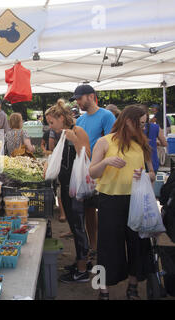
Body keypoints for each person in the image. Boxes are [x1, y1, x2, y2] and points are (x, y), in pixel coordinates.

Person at [89, 105, 155, 300]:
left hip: (136, 200)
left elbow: (152, 173)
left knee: (137, 244)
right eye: (140, 124)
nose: (143, 128)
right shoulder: (104, 142)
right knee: (107, 246)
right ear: (128, 121)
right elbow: (92, 172)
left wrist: (145, 175)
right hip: (109, 200)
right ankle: (103, 291)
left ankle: (132, 287)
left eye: (144, 124)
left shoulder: (141, 144)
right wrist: (106, 162)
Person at [45, 100, 91, 283]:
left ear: (61, 118)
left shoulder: (77, 131)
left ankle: (82, 271)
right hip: (66, 187)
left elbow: (87, 155)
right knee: (74, 226)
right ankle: (81, 263)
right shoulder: (62, 134)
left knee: (78, 228)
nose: (50, 126)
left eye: (51, 122)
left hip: (75, 188)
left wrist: (74, 140)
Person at [71, 84, 116, 263]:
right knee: (89, 211)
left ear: (91, 96)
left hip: (104, 172)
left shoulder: (106, 115)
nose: (78, 102)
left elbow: (113, 142)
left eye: (79, 98)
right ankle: (94, 247)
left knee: (106, 211)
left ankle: (109, 248)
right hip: (86, 173)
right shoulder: (80, 121)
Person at [140, 105, 167, 173]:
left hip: (136, 165)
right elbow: (164, 144)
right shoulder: (156, 127)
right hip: (152, 163)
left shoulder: (130, 128)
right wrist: (155, 143)